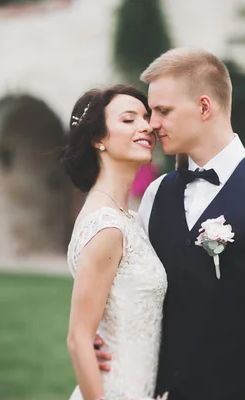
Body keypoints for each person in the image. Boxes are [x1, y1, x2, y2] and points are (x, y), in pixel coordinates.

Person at [95, 48, 245, 400]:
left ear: (204, 107)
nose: (152, 123)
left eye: (163, 111)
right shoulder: (155, 195)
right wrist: (102, 336)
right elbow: (137, 290)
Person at [62, 85, 168, 400]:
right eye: (128, 119)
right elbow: (78, 338)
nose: (146, 126)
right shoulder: (107, 227)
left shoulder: (129, 219)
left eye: (146, 118)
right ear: (98, 139)